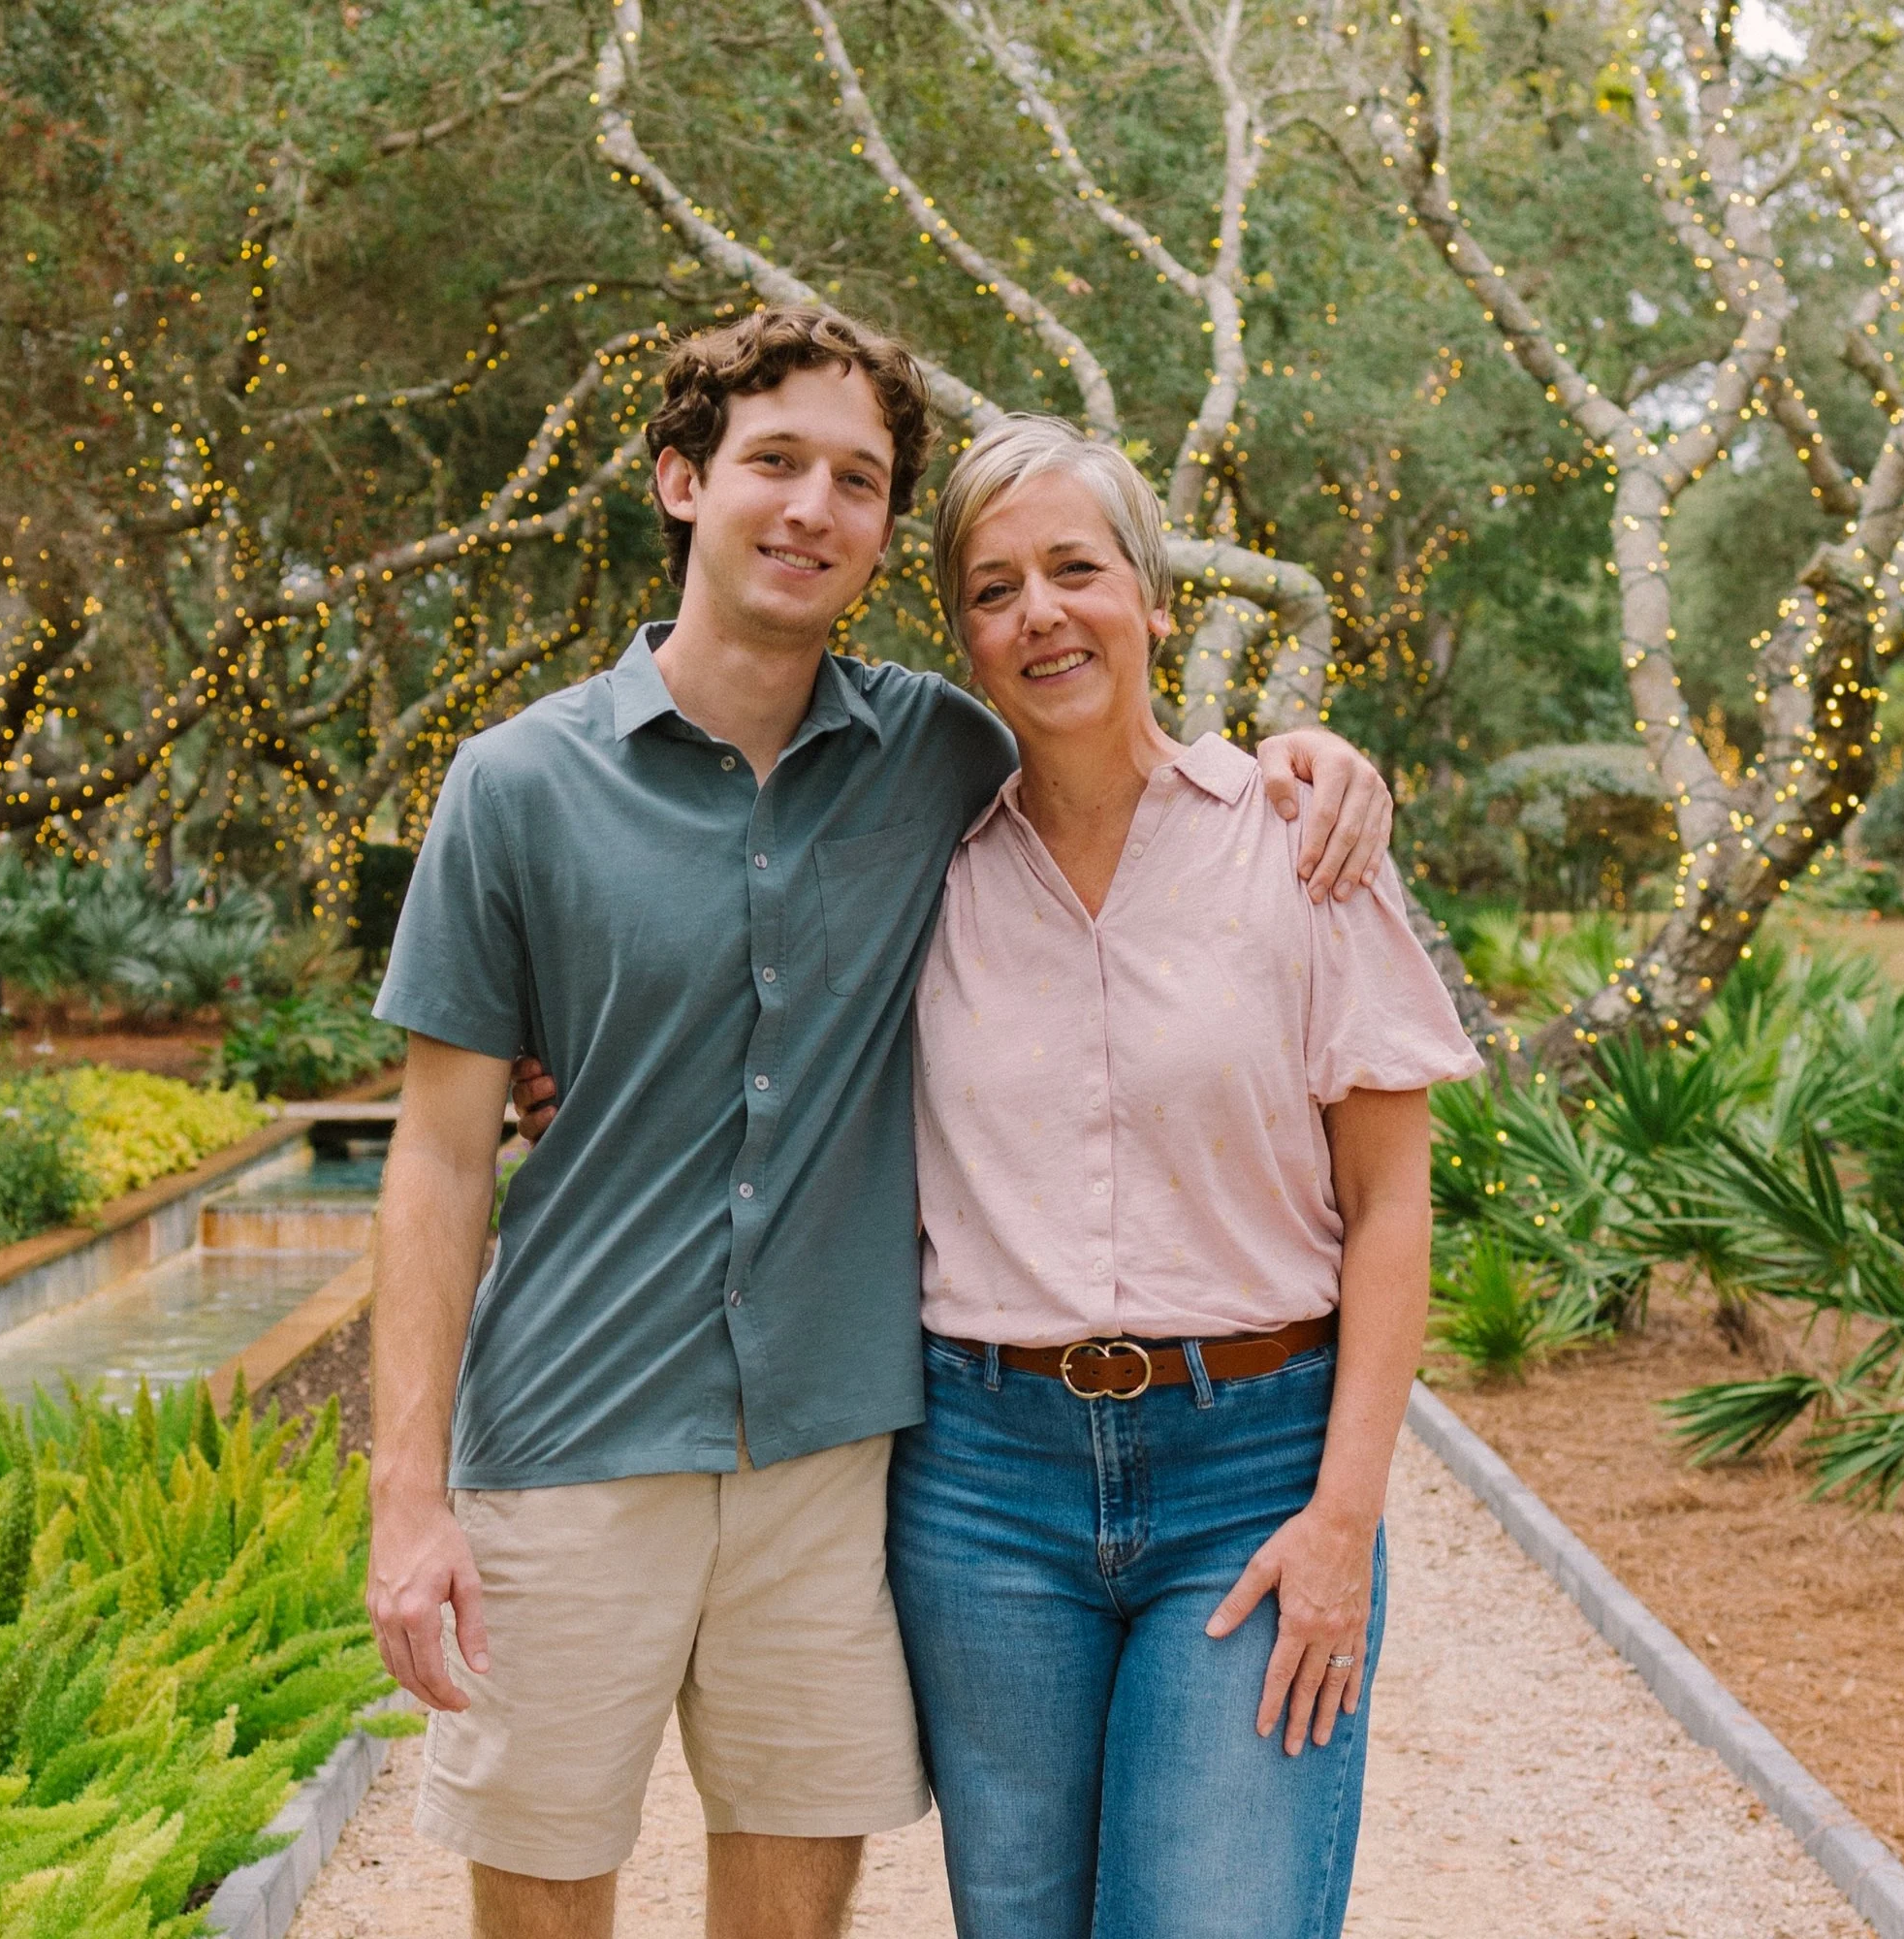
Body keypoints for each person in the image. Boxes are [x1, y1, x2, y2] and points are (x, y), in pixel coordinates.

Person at [362, 308, 1395, 1939]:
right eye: (775, 461)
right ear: (681, 479)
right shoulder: (515, 786)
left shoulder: (941, 755)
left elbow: (1122, 757)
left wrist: (1314, 761)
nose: (813, 508)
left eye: (858, 479)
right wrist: (404, 1497)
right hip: (565, 1441)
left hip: (834, 1459)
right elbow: (434, 1155)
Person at [884, 414, 1483, 1939]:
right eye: (994, 586)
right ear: (962, 633)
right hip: (982, 1485)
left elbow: (1392, 1209)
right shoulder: (919, 866)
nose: (1040, 614)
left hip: (1253, 1473)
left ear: (1154, 599)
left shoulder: (1300, 843)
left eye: (1076, 568)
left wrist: (1344, 1519)